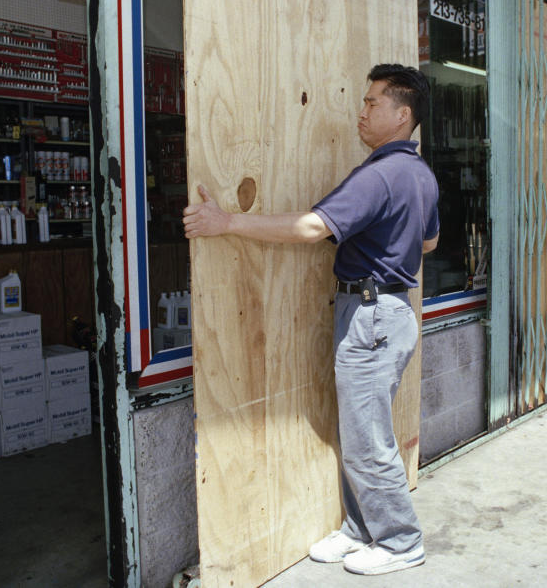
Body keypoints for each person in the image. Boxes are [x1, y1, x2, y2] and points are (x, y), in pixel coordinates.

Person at [182, 63, 439, 576]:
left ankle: (401, 540)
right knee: (360, 429)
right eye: (364, 101)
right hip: (386, 311)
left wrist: (226, 222)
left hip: (371, 315)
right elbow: (429, 242)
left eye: (373, 103)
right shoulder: (419, 173)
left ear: (402, 113)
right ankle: (361, 529)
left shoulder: (382, 173)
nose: (362, 111)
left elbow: (310, 227)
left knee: (368, 437)